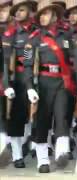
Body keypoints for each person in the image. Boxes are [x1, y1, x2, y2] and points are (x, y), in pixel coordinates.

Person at [23, 0, 76, 173]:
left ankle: (61, 153)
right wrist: (30, 86)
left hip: (61, 82)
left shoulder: (65, 37)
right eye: (42, 14)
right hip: (43, 84)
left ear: (55, 16)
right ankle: (43, 160)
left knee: (62, 118)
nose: (44, 17)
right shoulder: (33, 39)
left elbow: (73, 60)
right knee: (42, 121)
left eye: (47, 14)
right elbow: (27, 65)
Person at [2, 0, 37, 168]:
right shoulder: (12, 34)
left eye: (22, 10)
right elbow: (7, 62)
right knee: (17, 119)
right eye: (16, 11)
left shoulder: (38, 32)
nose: (18, 13)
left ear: (31, 12)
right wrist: (7, 84)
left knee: (40, 116)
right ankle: (17, 155)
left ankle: (36, 146)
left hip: (40, 78)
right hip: (20, 79)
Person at [0, 0, 12, 169]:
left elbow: (27, 55)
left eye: (4, 8)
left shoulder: (19, 33)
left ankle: (4, 149)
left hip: (17, 77)